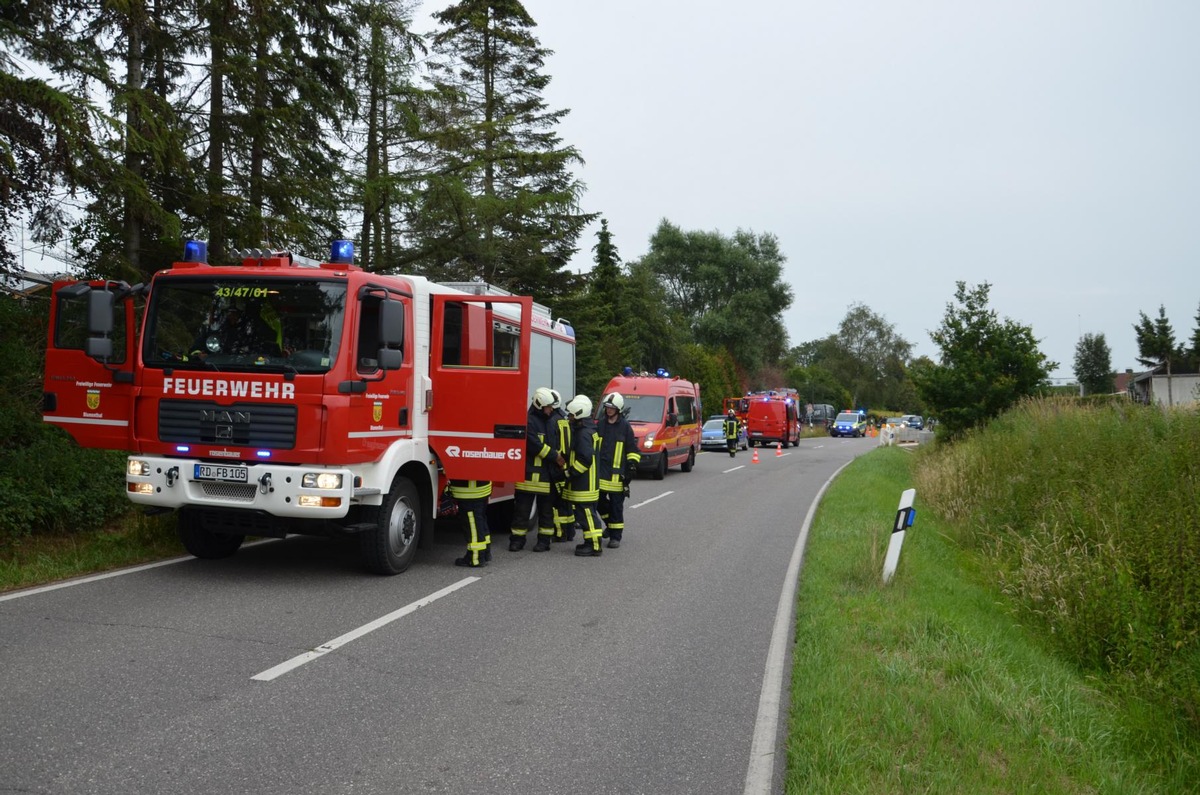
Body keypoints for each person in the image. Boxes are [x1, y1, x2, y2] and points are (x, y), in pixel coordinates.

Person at [509, 387, 562, 552]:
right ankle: (517, 540)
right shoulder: (529, 421)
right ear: (539, 405)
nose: (551, 409)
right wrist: (555, 457)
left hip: (547, 476)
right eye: (548, 407)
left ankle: (544, 541)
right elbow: (534, 444)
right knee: (522, 511)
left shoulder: (552, 420)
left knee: (546, 512)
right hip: (528, 475)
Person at [596, 392, 640, 549]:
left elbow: (633, 450)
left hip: (617, 477)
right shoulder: (600, 425)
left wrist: (632, 465)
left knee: (616, 507)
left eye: (612, 408)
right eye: (607, 407)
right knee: (598, 503)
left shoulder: (625, 427)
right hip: (600, 474)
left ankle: (616, 537)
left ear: (618, 409)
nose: (608, 410)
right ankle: (610, 525)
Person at [563, 395, 604, 557]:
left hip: (584, 482)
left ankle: (594, 545)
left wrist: (570, 472)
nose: (569, 418)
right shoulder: (589, 430)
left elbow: (585, 458)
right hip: (589, 481)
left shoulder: (582, 434)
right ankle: (590, 542)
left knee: (586, 514)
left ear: (579, 415)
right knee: (586, 513)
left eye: (571, 415)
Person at [548, 389, 575, 543]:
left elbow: (553, 446)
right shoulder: (565, 418)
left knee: (556, 503)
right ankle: (569, 531)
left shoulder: (552, 421)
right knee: (565, 501)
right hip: (566, 465)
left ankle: (560, 533)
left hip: (556, 466)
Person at [449, 479, 491, 567]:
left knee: (473, 525)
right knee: (480, 521)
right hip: (482, 488)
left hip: (469, 492)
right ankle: (485, 552)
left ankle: (475, 558)